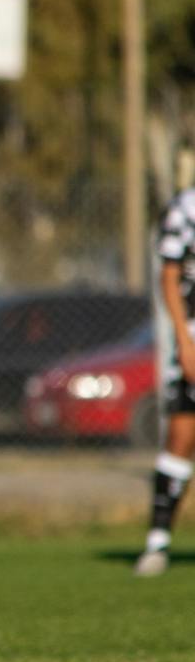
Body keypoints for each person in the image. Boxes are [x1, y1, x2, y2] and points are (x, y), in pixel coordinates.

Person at [136, 182, 195, 576]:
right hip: (194, 337)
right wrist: (184, 340)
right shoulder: (185, 209)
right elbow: (169, 275)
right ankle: (157, 542)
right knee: (181, 435)